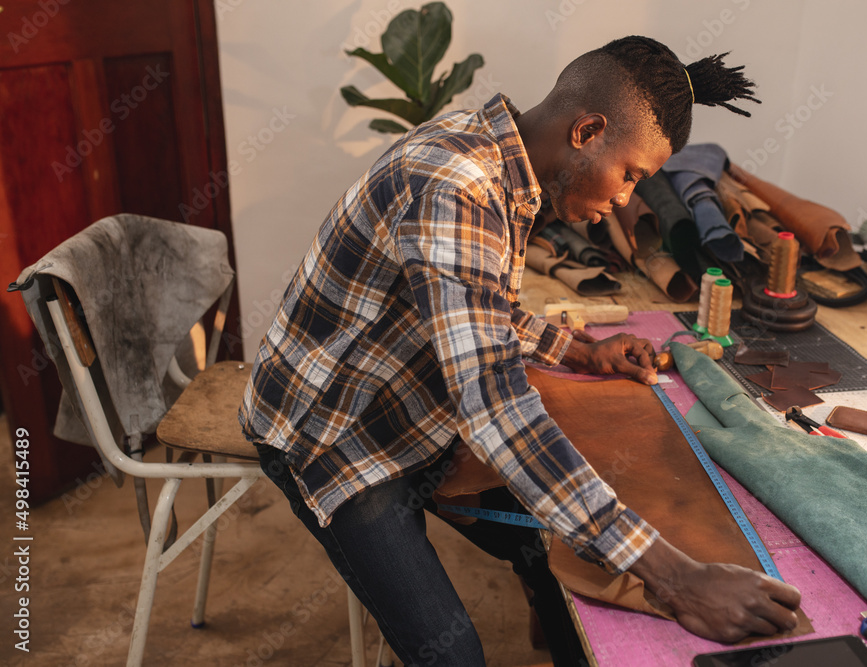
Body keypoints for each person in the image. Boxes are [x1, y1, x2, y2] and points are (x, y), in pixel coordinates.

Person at [240, 35, 801, 666]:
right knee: (455, 657)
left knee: (554, 555)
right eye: (631, 175)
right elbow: (494, 408)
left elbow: (479, 309)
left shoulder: (492, 157)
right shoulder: (455, 184)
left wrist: (579, 351)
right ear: (588, 131)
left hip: (406, 402)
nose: (624, 200)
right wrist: (676, 578)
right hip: (333, 435)